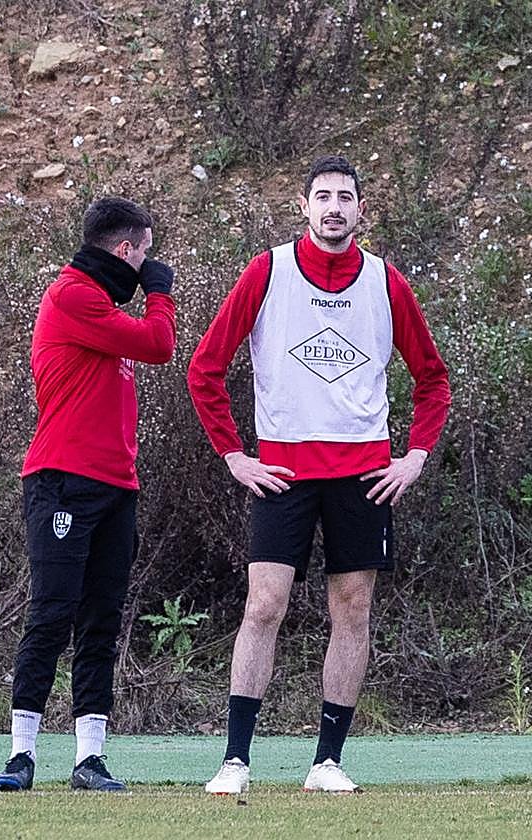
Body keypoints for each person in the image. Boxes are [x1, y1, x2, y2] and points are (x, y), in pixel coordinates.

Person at [188, 155, 451, 795]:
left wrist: (413, 458)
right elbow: (205, 369)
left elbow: (433, 379)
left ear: (362, 210)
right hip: (282, 471)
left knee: (352, 610)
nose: (334, 207)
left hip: (364, 474)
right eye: (323, 196)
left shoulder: (387, 282)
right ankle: (235, 761)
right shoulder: (267, 271)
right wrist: (234, 455)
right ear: (303, 207)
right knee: (264, 606)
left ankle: (327, 762)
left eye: (345, 197)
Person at [0, 197, 177, 793]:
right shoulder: (72, 295)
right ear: (125, 250)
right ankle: (21, 755)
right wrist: (160, 293)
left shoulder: (97, 302)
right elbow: (159, 343)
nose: (148, 264)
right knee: (52, 612)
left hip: (116, 484)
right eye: (145, 252)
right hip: (63, 479)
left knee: (101, 620)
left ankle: (89, 759)